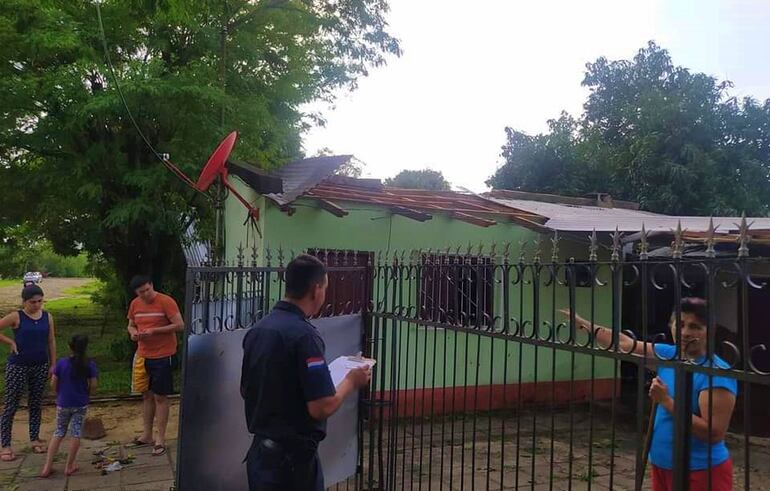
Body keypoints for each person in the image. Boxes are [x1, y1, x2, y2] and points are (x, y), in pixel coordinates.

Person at [563, 297, 737, 491]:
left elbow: (712, 433)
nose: (685, 333)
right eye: (679, 324)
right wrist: (584, 324)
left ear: (709, 331)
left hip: (700, 472)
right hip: (663, 465)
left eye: (695, 326)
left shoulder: (716, 373)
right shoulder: (669, 354)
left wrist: (666, 401)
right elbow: (624, 343)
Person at [240, 254, 371, 491]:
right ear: (316, 289)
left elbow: (247, 389)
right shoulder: (304, 337)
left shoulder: (259, 330)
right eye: (325, 288)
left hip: (261, 458)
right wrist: (351, 381)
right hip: (292, 466)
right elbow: (321, 407)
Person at [126, 275, 184, 457]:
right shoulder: (135, 304)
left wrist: (155, 331)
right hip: (143, 355)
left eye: (147, 290)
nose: (145, 295)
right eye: (140, 292)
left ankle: (161, 438)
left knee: (161, 397)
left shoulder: (166, 301)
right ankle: (147, 434)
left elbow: (180, 325)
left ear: (152, 285)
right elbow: (130, 325)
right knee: (146, 395)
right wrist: (133, 333)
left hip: (163, 354)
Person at [0, 285, 57, 461]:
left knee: (35, 403)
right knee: (11, 405)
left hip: (39, 365)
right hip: (18, 366)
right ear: (24, 302)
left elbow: (51, 341)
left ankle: (34, 438)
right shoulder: (17, 316)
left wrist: (53, 364)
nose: (37, 305)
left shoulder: (47, 317)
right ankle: (6, 444)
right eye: (33, 302)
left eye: (40, 301)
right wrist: (10, 342)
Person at [40, 334, 98, 478]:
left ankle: (47, 467)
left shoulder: (61, 363)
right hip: (80, 403)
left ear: (69, 347)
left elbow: (53, 383)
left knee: (59, 432)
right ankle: (69, 465)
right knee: (76, 432)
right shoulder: (89, 364)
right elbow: (94, 385)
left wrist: (58, 394)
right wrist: (87, 394)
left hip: (63, 403)